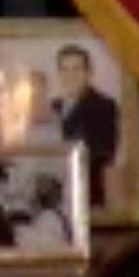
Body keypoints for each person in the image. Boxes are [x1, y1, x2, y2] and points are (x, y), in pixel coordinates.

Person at [51, 45, 121, 208]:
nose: (71, 76)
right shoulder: (53, 106)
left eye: (77, 69)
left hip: (87, 198)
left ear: (88, 73)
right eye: (65, 70)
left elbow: (104, 153)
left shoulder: (103, 106)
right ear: (59, 74)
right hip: (56, 200)